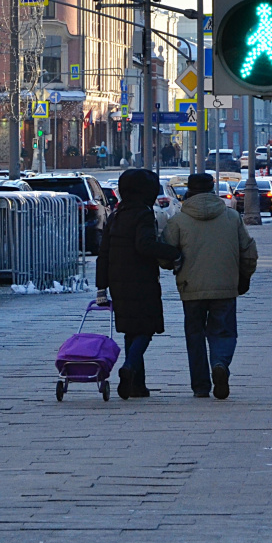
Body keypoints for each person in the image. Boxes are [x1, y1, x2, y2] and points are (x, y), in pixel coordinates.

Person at [163, 172, 258, 399]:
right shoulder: (232, 217)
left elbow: (165, 256)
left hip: (190, 286)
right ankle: (220, 364)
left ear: (189, 192)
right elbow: (249, 252)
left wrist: (174, 265)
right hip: (225, 285)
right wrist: (244, 277)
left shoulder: (177, 221)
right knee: (223, 332)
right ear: (212, 190)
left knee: (194, 336)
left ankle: (200, 386)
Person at [94, 168, 179, 400]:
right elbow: (145, 245)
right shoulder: (143, 213)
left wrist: (101, 287)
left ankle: (137, 386)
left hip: (118, 283)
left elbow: (104, 253)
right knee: (145, 329)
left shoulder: (116, 215)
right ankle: (129, 367)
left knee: (131, 331)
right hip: (141, 280)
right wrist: (173, 252)